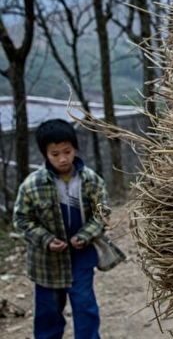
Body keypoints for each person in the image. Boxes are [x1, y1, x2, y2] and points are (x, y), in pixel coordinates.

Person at [13, 119, 124, 339]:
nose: (63, 159)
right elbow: (22, 219)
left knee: (85, 308)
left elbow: (101, 214)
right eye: (55, 154)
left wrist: (85, 235)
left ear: (75, 148)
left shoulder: (90, 180)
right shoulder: (32, 185)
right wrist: (45, 239)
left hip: (81, 257)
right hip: (46, 263)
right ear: (45, 153)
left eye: (67, 151)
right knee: (48, 313)